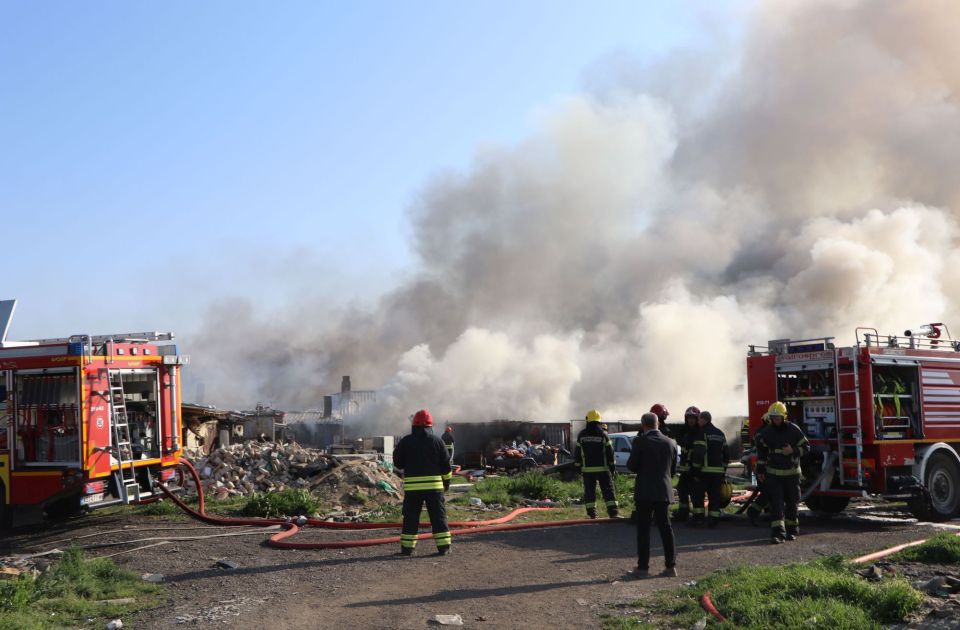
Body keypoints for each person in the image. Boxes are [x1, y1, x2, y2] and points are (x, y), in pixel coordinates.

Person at [393, 409, 453, 556]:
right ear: (430, 425)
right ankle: (443, 547)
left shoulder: (406, 441)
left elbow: (398, 463)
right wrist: (446, 483)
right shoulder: (438, 441)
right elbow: (446, 466)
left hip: (413, 489)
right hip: (434, 488)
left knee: (411, 518)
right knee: (438, 517)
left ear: (414, 425)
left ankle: (407, 549)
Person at [627, 412, 679, 578]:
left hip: (644, 492)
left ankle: (643, 568)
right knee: (666, 527)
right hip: (664, 490)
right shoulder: (671, 442)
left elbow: (632, 466)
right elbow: (672, 470)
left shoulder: (640, 441)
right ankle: (671, 567)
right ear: (658, 424)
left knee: (644, 529)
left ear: (643, 425)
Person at [755, 401, 810, 544]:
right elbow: (762, 453)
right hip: (774, 475)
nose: (775, 420)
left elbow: (806, 447)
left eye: (778, 417)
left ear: (784, 416)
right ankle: (778, 533)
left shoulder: (794, 430)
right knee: (776, 504)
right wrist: (760, 470)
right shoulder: (766, 432)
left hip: (792, 475)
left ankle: (792, 531)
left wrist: (793, 450)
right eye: (773, 417)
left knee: (792, 503)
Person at [574, 409, 619, 519]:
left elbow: (577, 453)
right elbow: (610, 452)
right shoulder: (603, 435)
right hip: (603, 469)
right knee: (608, 491)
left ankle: (592, 514)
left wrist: (578, 467)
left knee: (589, 491)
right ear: (599, 421)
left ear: (587, 420)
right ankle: (613, 513)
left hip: (587, 470)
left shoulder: (582, 435)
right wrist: (612, 466)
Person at [690, 410, 728, 528]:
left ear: (703, 420)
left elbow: (699, 453)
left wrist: (695, 470)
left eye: (699, 419)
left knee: (698, 496)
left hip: (704, 472)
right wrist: (723, 470)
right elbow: (726, 454)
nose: (698, 422)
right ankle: (713, 520)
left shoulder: (702, 433)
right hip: (718, 473)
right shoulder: (720, 433)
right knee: (714, 497)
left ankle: (699, 519)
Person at [673, 406, 701, 522]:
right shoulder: (683, 431)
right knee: (682, 490)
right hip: (685, 470)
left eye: (693, 418)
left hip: (696, 469)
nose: (690, 420)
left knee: (696, 494)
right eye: (688, 418)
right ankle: (683, 513)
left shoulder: (700, 431)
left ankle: (698, 517)